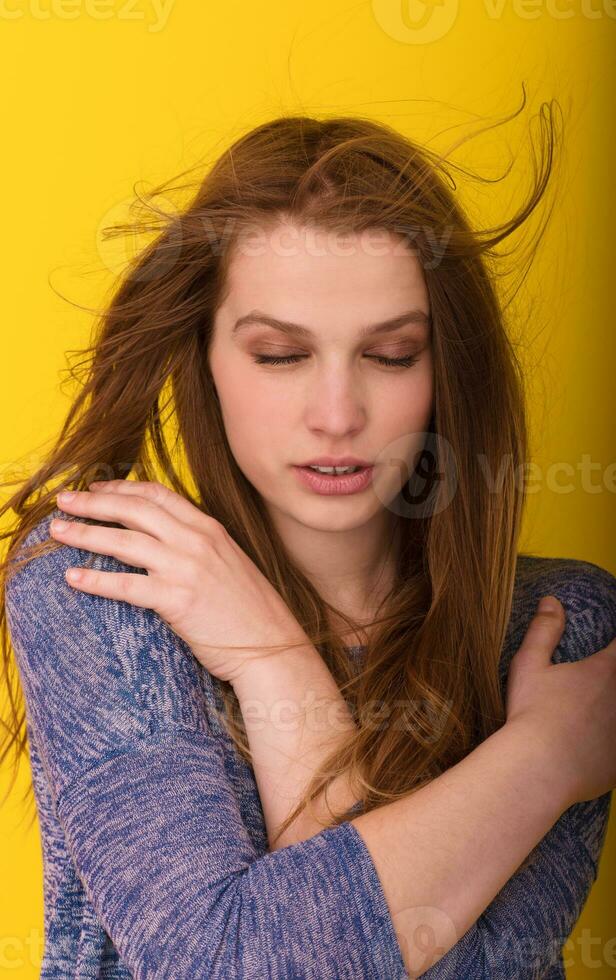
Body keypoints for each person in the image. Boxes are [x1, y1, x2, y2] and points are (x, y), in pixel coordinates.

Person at [1, 111, 615, 979]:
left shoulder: (563, 629)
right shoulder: (103, 583)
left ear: (450, 370)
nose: (337, 415)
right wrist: (547, 756)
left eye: (393, 355)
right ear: (205, 355)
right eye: (282, 355)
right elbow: (219, 967)